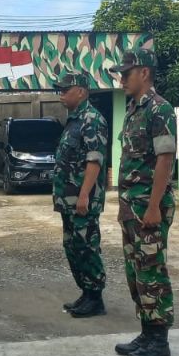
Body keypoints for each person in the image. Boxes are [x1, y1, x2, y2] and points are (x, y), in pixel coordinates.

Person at [109, 50, 176, 356]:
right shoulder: (134, 110)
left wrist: (154, 206)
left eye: (127, 73)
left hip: (149, 207)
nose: (122, 79)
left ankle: (159, 340)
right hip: (131, 206)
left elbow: (165, 159)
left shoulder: (160, 109)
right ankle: (147, 332)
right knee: (135, 272)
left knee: (152, 271)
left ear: (144, 73)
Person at [52, 71, 109, 318]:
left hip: (83, 199)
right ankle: (86, 293)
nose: (61, 94)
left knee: (87, 246)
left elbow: (94, 160)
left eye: (66, 90)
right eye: (60, 90)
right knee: (73, 246)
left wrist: (84, 194)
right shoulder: (74, 120)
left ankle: (95, 298)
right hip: (69, 199)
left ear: (81, 92)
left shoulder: (92, 119)